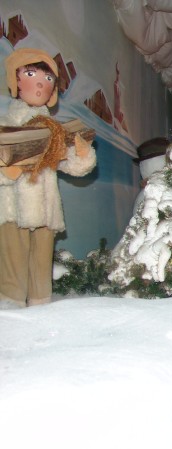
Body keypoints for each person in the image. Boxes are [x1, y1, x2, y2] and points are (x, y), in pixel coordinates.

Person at [0, 48, 96, 308]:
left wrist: (82, 152)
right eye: (31, 74)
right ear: (15, 80)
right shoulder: (6, 126)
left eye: (49, 78)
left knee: (41, 270)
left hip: (46, 210)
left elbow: (74, 166)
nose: (41, 83)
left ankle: (41, 311)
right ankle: (10, 312)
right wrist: (9, 172)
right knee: (13, 268)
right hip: (12, 209)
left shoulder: (54, 130)